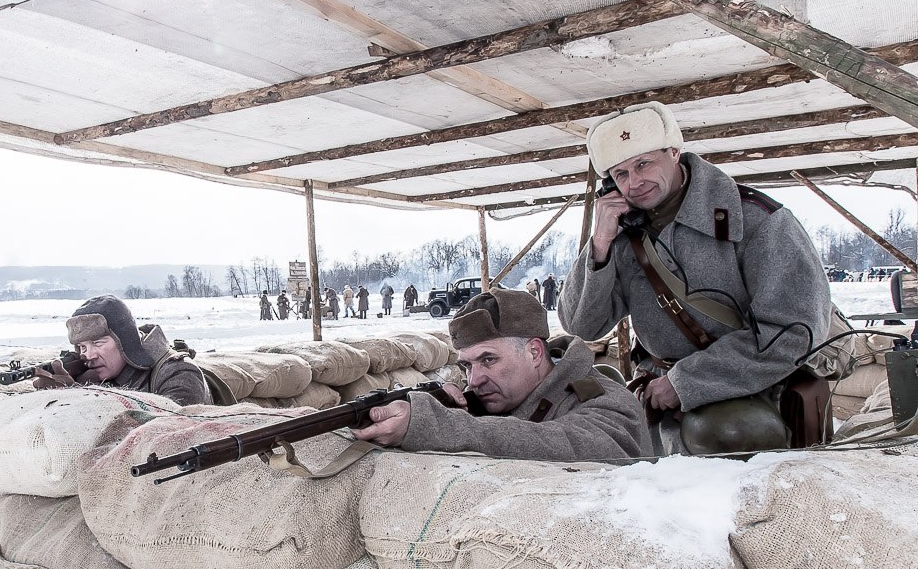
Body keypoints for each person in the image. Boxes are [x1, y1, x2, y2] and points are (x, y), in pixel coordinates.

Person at [558, 101, 832, 454]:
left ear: (674, 152)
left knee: (729, 433)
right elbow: (582, 325)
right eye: (621, 174)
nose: (634, 183)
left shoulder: (757, 220)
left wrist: (687, 381)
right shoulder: (624, 237)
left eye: (643, 164)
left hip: (754, 391)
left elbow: (793, 332)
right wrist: (600, 245)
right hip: (660, 396)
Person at [351, 290, 651, 460]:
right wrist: (448, 408)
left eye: (488, 359)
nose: (474, 380)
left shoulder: (608, 401)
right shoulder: (492, 397)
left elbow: (570, 446)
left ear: (534, 353)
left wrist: (438, 425)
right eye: (467, 366)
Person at [33, 295, 212, 406]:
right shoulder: (95, 376)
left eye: (98, 342)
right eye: (82, 347)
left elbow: (170, 433)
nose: (89, 355)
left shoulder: (178, 372)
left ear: (125, 341)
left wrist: (81, 400)